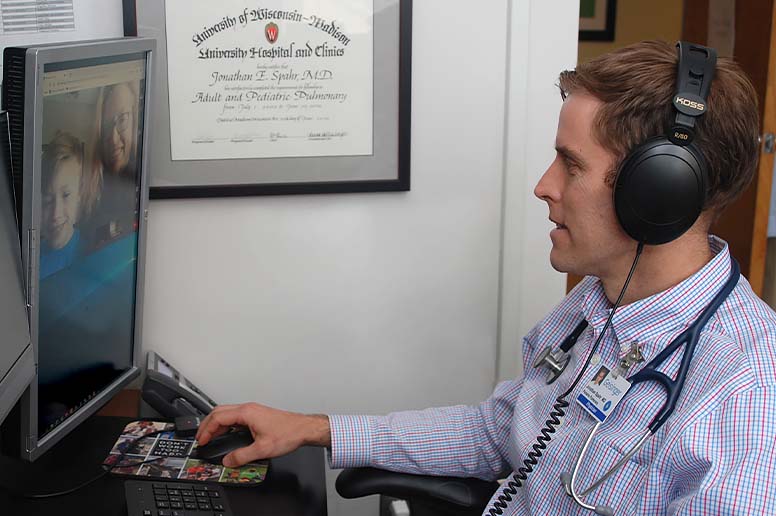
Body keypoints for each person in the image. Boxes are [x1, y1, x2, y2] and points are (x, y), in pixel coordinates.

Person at [195, 41, 776, 514]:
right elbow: (499, 432)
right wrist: (315, 429)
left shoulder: (745, 392)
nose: (544, 186)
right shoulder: (593, 309)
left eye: (571, 164)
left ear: (657, 193)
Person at [84, 80, 141, 249]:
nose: (114, 139)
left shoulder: (142, 180)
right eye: (107, 125)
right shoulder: (89, 190)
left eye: (122, 119)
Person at [39, 131, 91, 278]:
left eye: (66, 195)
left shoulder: (89, 253)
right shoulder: (33, 257)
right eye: (48, 199)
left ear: (79, 196)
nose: (56, 213)